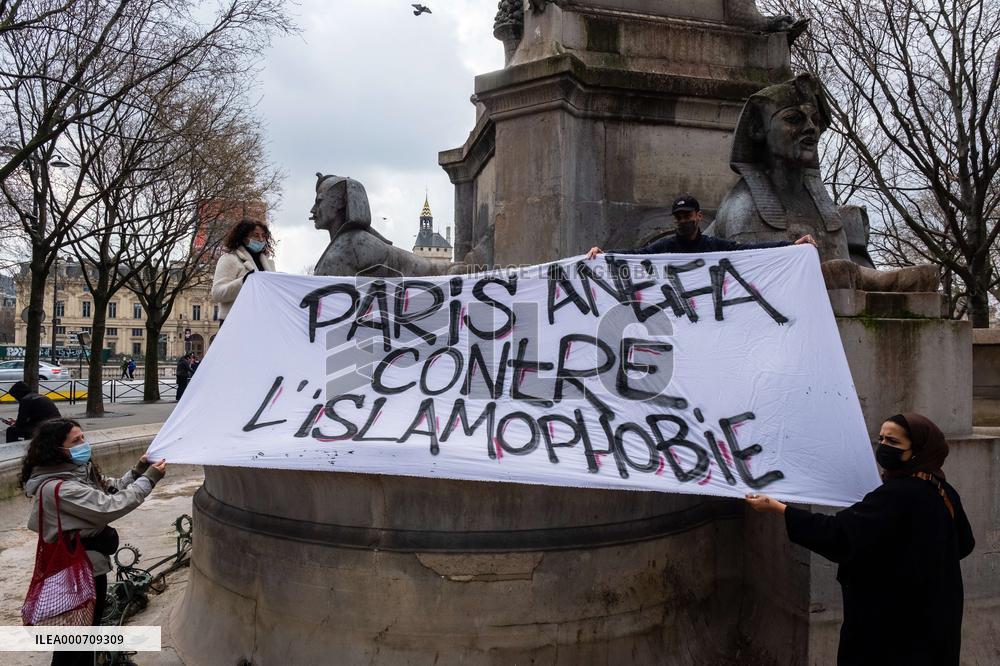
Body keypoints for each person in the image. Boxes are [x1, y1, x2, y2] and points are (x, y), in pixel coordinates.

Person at [746, 412, 975, 665]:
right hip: (936, 621)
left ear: (917, 450)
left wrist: (778, 508)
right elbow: (964, 543)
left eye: (894, 442)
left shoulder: (897, 495)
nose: (884, 447)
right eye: (881, 439)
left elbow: (839, 534)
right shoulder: (942, 489)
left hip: (892, 626)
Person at [20, 418, 166, 665]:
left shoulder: (74, 473)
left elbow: (111, 488)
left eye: (83, 438)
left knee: (84, 632)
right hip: (79, 569)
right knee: (78, 638)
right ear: (56, 448)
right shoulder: (61, 487)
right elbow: (110, 505)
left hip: (87, 566)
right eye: (75, 441)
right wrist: (150, 479)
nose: (83, 444)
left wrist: (139, 470)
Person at [585, 195, 816, 259]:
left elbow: (747, 251)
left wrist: (790, 246)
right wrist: (605, 255)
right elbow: (638, 255)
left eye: (687, 216)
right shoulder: (665, 247)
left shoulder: (713, 245)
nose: (683, 221)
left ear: (698, 216)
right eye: (679, 217)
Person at [211, 219, 276, 322]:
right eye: (256, 235)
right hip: (235, 322)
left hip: (262, 321)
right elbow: (217, 294)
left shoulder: (269, 264)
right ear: (244, 238)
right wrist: (243, 282)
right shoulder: (229, 259)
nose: (260, 239)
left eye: (263, 236)